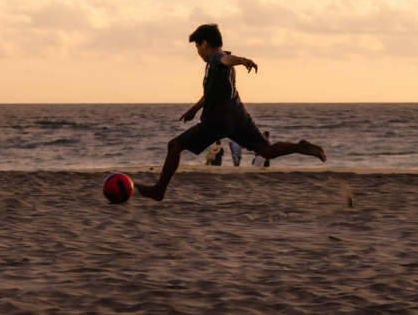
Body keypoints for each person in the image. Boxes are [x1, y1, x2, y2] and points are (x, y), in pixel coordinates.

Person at [136, 23, 326, 201]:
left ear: (204, 43)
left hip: (218, 121)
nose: (198, 52)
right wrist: (193, 110)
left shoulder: (217, 58)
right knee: (265, 151)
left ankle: (159, 190)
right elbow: (210, 94)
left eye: (197, 47)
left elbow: (227, 60)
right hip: (238, 116)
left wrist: (242, 60)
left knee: (174, 146)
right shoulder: (217, 62)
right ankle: (300, 146)